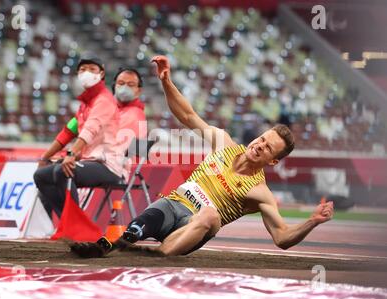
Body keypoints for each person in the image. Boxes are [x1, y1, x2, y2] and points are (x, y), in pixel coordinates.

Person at [70, 55, 334, 258]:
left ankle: (157, 257)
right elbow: (187, 115)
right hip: (172, 206)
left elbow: (281, 237)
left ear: (273, 161)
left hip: (192, 228)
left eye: (268, 148)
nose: (259, 145)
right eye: (262, 139)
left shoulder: (260, 192)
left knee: (210, 215)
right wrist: (165, 81)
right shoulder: (224, 143)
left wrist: (312, 221)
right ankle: (106, 247)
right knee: (134, 231)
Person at [34, 53, 127, 217]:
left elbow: (90, 129)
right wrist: (45, 157)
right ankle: (64, 220)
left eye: (92, 69)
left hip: (108, 165)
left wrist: (70, 154)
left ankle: (75, 223)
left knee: (62, 171)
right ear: (78, 74)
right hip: (89, 160)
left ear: (102, 74)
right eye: (83, 69)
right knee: (41, 175)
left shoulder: (104, 100)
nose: (87, 73)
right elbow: (68, 132)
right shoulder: (85, 104)